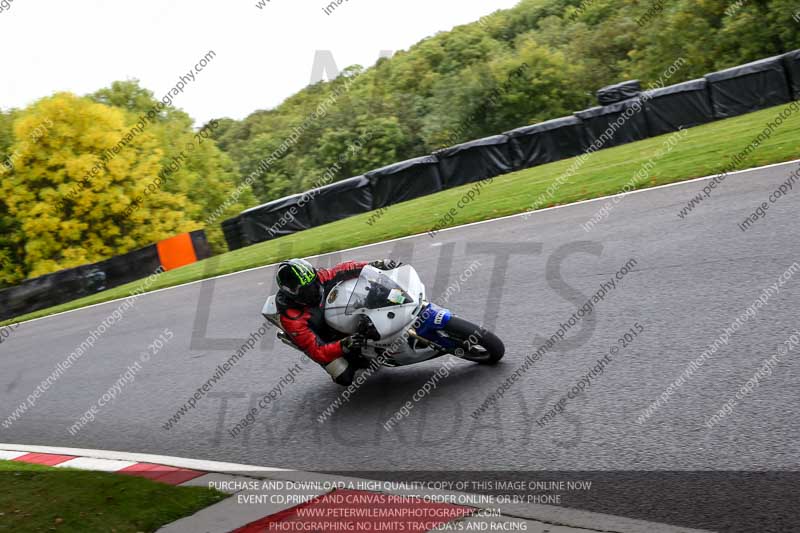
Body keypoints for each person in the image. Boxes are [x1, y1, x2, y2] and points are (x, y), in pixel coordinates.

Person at [275, 258, 401, 386]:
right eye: (306, 290)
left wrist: (374, 265)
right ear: (291, 294)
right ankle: (356, 357)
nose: (313, 290)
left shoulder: (319, 277)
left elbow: (344, 269)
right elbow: (317, 351)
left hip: (335, 317)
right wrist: (345, 344)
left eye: (314, 283)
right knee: (344, 376)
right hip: (323, 339)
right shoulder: (292, 318)